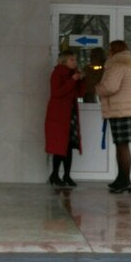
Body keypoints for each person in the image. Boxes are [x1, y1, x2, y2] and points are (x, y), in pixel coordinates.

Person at [96, 40, 131, 194]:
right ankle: (121, 180)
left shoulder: (117, 65)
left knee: (122, 147)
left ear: (115, 50)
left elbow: (110, 87)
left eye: (110, 49)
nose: (108, 52)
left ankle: (124, 181)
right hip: (128, 110)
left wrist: (97, 88)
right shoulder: (129, 65)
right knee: (122, 146)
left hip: (121, 111)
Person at [44, 49, 84, 188]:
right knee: (61, 145)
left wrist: (81, 80)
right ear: (64, 61)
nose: (75, 62)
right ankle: (55, 174)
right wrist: (72, 80)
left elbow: (79, 93)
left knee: (69, 145)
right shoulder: (57, 73)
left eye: (75, 59)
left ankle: (66, 175)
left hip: (70, 114)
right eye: (72, 60)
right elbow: (56, 93)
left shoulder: (73, 74)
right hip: (59, 115)